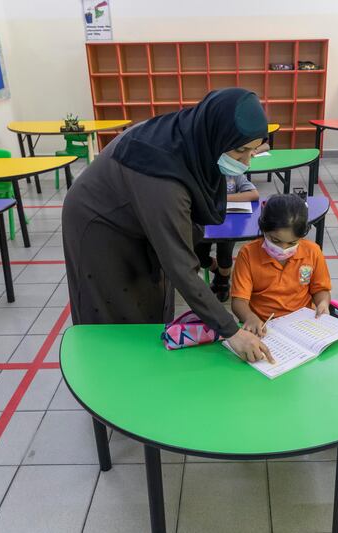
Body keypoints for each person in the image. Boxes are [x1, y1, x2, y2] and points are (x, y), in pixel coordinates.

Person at [62, 88, 273, 364]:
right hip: (100, 226)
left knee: (152, 296)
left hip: (136, 214)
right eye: (240, 150)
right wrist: (231, 331)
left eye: (253, 151)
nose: (245, 162)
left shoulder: (195, 136)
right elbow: (180, 268)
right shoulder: (163, 179)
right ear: (216, 135)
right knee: (113, 311)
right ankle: (111, 384)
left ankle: (148, 371)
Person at [230, 194, 332, 336]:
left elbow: (320, 290)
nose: (283, 248)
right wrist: (250, 317)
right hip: (264, 327)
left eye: (292, 243)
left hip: (304, 326)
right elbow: (239, 301)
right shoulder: (248, 254)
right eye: (275, 241)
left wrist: (322, 303)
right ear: (263, 228)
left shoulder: (312, 252)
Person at [194, 142, 267, 302]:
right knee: (199, 256)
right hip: (205, 225)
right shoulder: (201, 174)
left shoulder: (233, 173)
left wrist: (222, 199)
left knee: (225, 257)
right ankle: (220, 273)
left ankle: (222, 283)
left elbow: (253, 194)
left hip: (229, 226)